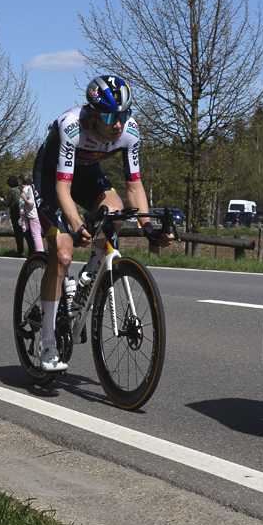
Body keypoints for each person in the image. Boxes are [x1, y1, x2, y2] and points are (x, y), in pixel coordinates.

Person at [31, 74, 174, 372]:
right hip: (52, 177)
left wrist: (148, 228)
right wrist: (77, 225)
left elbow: (134, 185)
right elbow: (62, 189)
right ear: (92, 114)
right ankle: (47, 342)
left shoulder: (130, 131)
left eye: (122, 115)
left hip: (87, 173)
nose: (117, 124)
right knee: (63, 254)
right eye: (109, 117)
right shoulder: (71, 126)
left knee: (115, 212)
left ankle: (88, 275)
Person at [18, 171, 43, 253]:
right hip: (37, 213)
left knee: (36, 235)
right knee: (37, 234)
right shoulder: (38, 187)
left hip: (33, 214)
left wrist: (24, 198)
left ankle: (40, 252)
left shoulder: (31, 189)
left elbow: (31, 204)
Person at [6, 175, 25, 256]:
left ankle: (20, 251)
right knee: (25, 232)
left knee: (18, 232)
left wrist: (2, 200)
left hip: (15, 213)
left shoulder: (12, 191)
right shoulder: (21, 189)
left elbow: (8, 203)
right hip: (23, 212)